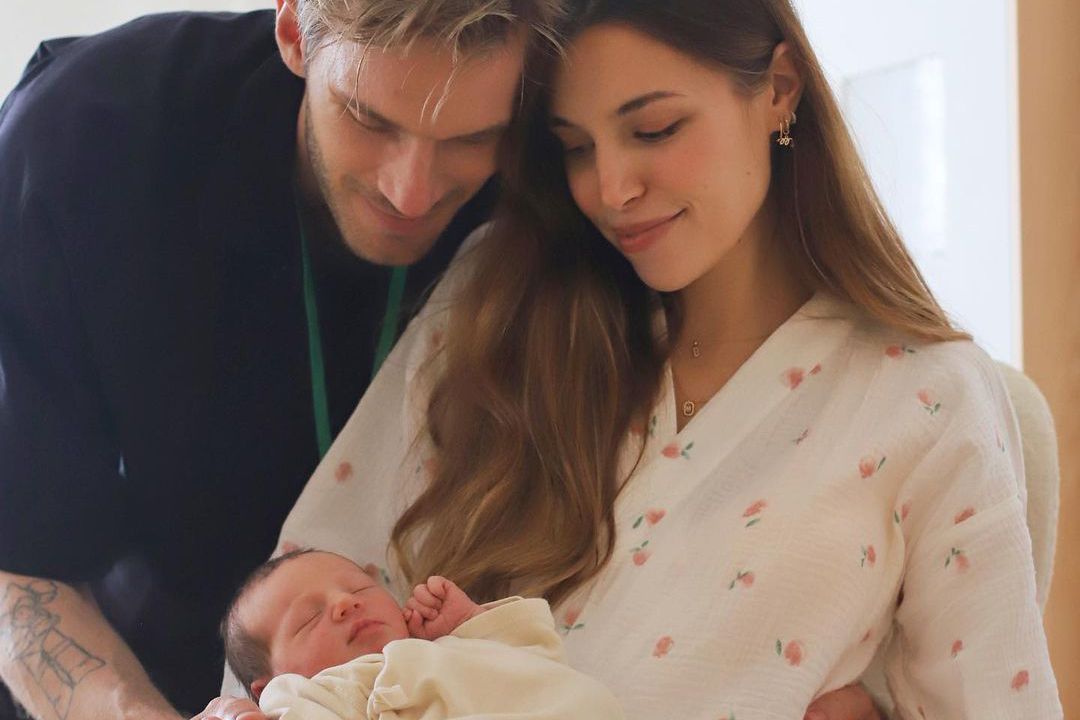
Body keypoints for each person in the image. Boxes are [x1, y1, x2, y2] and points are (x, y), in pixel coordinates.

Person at [267, 0, 1064, 718]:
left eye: (654, 130)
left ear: (780, 88)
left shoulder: (926, 400)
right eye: (576, 148)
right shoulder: (495, 306)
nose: (611, 189)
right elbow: (289, 615)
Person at [0, 2, 560, 718]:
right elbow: (21, 563)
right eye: (368, 118)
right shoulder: (84, 143)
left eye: (473, 138)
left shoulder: (563, 132)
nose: (410, 192)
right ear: (294, 30)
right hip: (140, 664)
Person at [221, 549, 624, 719]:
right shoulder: (309, 695)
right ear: (266, 687)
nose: (345, 603)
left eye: (359, 588)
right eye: (309, 618)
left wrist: (473, 624)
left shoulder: (456, 648)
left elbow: (541, 658)